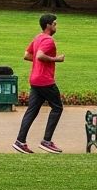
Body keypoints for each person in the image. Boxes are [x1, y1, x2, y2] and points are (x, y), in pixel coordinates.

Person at [13, 13, 65, 154]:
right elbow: (40, 55)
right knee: (57, 108)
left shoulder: (38, 38)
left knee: (32, 110)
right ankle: (46, 141)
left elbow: (27, 55)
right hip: (45, 80)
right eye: (54, 23)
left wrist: (39, 60)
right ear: (48, 25)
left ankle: (20, 141)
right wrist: (57, 59)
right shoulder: (48, 40)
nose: (56, 26)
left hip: (35, 80)